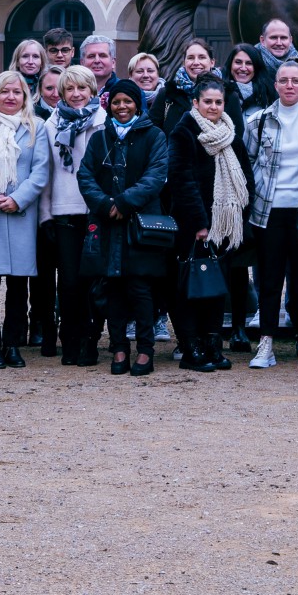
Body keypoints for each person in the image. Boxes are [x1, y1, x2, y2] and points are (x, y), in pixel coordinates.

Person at [80, 79, 173, 375]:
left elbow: (156, 175)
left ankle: (145, 350)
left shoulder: (154, 135)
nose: (122, 107)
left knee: (141, 287)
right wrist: (106, 204)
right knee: (113, 288)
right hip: (107, 222)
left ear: (138, 104)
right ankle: (119, 347)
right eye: (117, 102)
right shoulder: (99, 138)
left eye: (128, 102)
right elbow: (85, 176)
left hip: (140, 223)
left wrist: (124, 202)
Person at [243, 59, 298, 369]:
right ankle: (265, 345)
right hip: (269, 212)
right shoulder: (259, 121)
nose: (290, 85)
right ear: (276, 85)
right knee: (268, 280)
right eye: (284, 80)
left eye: (296, 80)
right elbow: (248, 166)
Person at [168, 72, 251, 373]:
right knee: (191, 288)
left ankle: (213, 348)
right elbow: (181, 181)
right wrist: (200, 224)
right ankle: (192, 350)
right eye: (208, 102)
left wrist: (238, 217)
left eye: (218, 102)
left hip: (226, 227)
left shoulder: (230, 134)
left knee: (216, 288)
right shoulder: (185, 133)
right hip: (194, 227)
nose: (213, 107)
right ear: (195, 102)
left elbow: (246, 180)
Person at [0, 70, 49, 369]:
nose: (11, 97)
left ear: (25, 96)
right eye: (5, 91)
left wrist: (18, 199)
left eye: (17, 92)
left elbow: (41, 171)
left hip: (21, 214)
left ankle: (12, 344)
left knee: (19, 286)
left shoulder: (35, 127)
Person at [39, 66, 103, 365]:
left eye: (82, 88)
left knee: (94, 279)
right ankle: (71, 340)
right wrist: (45, 215)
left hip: (95, 210)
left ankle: (91, 339)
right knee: (68, 282)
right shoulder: (51, 125)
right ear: (61, 93)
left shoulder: (104, 123)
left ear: (92, 90)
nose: (76, 94)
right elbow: (46, 173)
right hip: (63, 210)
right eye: (69, 89)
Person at [150, 38, 216, 137]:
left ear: (212, 62)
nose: (196, 62)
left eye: (202, 57)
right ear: (184, 63)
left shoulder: (227, 94)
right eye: (190, 58)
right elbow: (153, 134)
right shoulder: (167, 94)